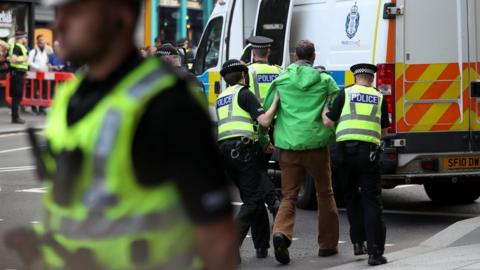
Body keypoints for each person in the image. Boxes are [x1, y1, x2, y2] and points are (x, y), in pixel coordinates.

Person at [4, 0, 237, 269]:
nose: (59, 25)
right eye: (58, 13)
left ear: (122, 18)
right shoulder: (71, 94)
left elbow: (217, 238)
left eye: (75, 12)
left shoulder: (167, 103)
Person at [262, 40, 340, 265]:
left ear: (295, 57)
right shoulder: (326, 81)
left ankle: (281, 233)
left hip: (288, 147)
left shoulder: (282, 80)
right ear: (314, 57)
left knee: (289, 195)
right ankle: (327, 245)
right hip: (316, 146)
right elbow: (336, 110)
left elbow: (268, 111)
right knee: (325, 193)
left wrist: (264, 139)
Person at [322, 63, 389, 266]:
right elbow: (384, 129)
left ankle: (358, 243)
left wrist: (325, 107)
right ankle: (375, 253)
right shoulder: (379, 97)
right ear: (371, 78)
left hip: (344, 154)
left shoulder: (345, 94)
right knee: (371, 200)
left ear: (356, 77)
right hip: (368, 154)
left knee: (351, 196)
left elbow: (328, 122)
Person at [216, 59, 279, 262]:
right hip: (244, 152)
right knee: (253, 201)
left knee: (255, 197)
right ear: (244, 76)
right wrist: (276, 101)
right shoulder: (245, 93)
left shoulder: (222, 97)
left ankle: (261, 247)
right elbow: (264, 121)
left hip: (226, 154)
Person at [246, 35, 282, 218]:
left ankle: (273, 203)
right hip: (278, 127)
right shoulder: (279, 71)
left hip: (257, 126)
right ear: (268, 52)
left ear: (253, 52)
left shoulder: (247, 72)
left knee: (258, 169)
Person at [7, 31, 29, 124]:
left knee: (17, 96)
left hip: (18, 73)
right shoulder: (17, 47)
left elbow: (9, 58)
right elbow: (14, 59)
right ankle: (15, 117)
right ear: (21, 38)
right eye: (25, 37)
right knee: (17, 96)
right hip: (17, 74)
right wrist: (24, 58)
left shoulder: (18, 47)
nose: (26, 39)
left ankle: (15, 116)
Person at [28, 34, 50, 115]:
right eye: (40, 40)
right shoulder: (33, 52)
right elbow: (29, 62)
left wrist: (48, 67)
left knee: (44, 91)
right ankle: (34, 108)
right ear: (37, 41)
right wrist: (38, 68)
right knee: (34, 91)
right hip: (34, 75)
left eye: (43, 40)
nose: (42, 42)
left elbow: (46, 63)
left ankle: (41, 108)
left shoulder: (45, 52)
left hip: (44, 75)